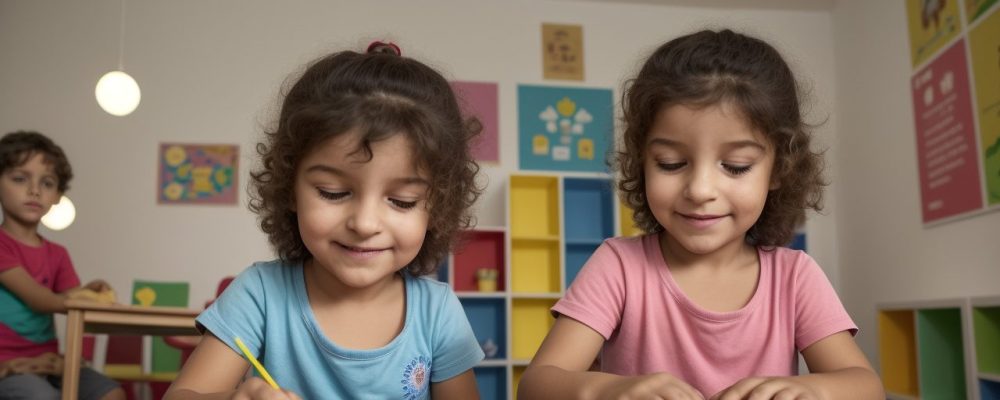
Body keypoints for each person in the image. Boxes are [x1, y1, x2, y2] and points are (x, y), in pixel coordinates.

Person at [517, 29, 884, 400]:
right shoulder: (619, 266)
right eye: (671, 163)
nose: (700, 190)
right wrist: (610, 389)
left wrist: (812, 389)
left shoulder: (794, 277)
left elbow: (866, 385)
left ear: (777, 171)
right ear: (642, 163)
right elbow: (536, 385)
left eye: (736, 166)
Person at [164, 41, 485, 400]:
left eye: (401, 201)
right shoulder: (259, 295)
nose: (364, 224)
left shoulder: (437, 312)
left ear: (438, 207)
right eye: (333, 192)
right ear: (289, 189)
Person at [0, 131, 125, 400]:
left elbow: (74, 302)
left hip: (48, 362)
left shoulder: (57, 253)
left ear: (57, 195)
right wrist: (82, 297)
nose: (34, 190)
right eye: (20, 178)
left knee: (112, 393)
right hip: (7, 366)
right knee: (43, 397)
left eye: (47, 183)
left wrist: (93, 293)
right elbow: (41, 300)